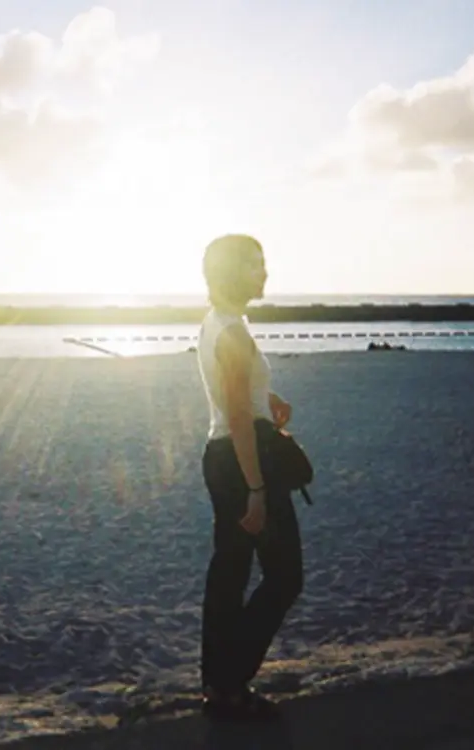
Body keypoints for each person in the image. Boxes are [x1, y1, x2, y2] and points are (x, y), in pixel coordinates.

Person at [195, 233, 304, 721]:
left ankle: (221, 686)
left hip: (223, 456)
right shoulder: (234, 333)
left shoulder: (220, 322)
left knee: (231, 574)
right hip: (242, 461)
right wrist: (257, 491)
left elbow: (238, 400)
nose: (265, 273)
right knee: (284, 576)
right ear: (232, 272)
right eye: (255, 265)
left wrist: (270, 399)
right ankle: (229, 679)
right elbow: (239, 417)